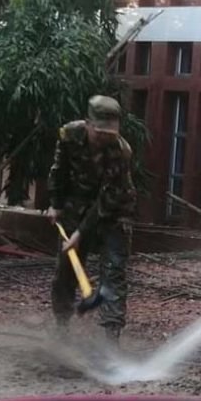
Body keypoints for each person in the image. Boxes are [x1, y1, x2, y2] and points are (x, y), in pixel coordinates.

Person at [47, 95, 137, 343]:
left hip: (115, 210)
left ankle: (111, 339)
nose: (104, 138)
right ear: (87, 123)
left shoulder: (121, 151)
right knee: (66, 269)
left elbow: (107, 199)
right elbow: (59, 170)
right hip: (77, 204)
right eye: (99, 133)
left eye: (110, 133)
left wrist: (79, 234)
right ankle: (62, 330)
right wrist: (55, 204)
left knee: (114, 272)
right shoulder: (69, 135)